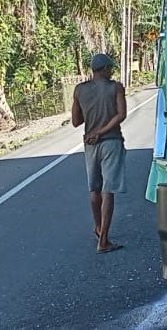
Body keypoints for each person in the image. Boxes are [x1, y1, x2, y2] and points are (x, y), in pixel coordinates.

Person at [71, 53, 127, 254]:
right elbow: (121, 115)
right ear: (105, 69)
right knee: (108, 190)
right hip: (110, 141)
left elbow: (76, 121)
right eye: (110, 68)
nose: (112, 72)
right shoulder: (115, 88)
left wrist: (92, 127)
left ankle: (98, 228)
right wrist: (102, 131)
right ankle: (103, 240)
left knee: (94, 189)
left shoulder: (80, 90)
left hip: (90, 144)